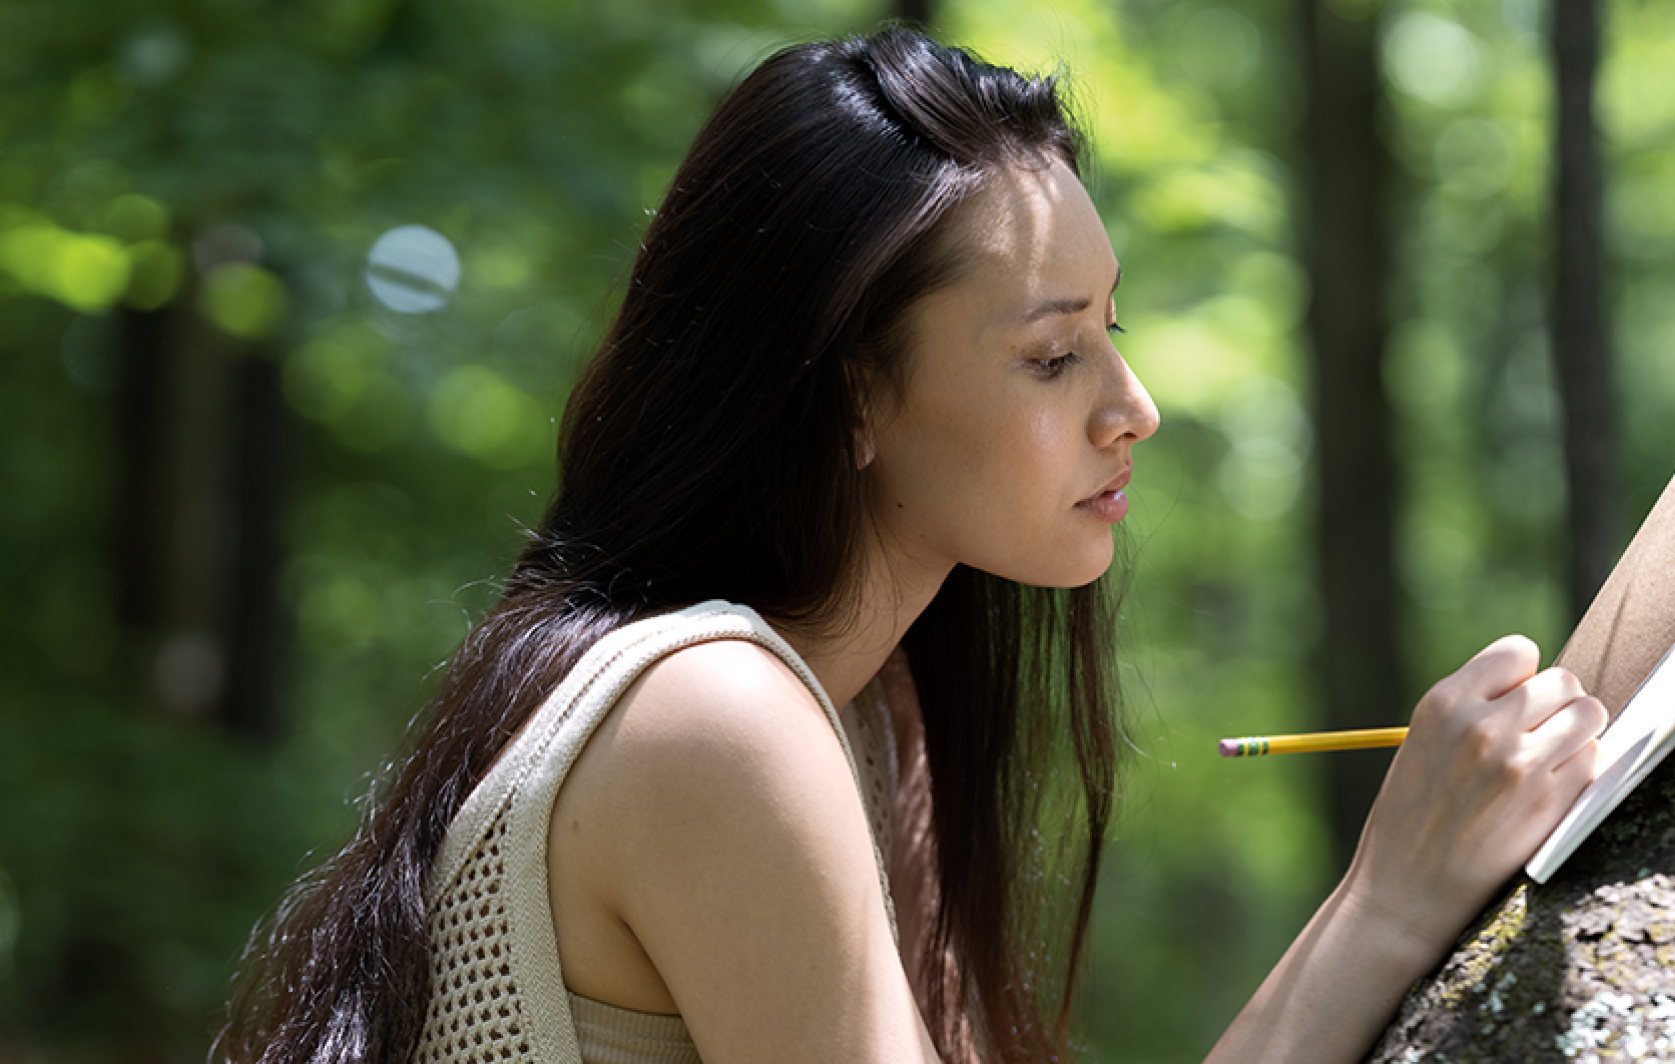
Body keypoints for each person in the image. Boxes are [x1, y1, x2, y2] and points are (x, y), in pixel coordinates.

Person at [216, 26, 1604, 1064]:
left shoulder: (858, 721)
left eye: (1110, 331)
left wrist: (1390, 896)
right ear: (852, 396)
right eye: (1054, 355)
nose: (1137, 409)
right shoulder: (712, 718)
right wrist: (1385, 897)